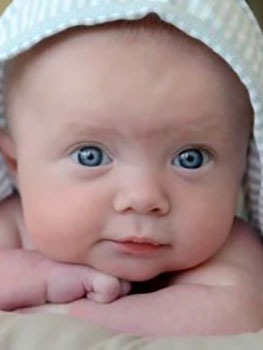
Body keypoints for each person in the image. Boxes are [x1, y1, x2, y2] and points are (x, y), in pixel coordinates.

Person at [0, 0, 262, 337]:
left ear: (243, 167)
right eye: (90, 155)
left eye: (190, 158)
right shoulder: (13, 225)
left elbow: (237, 314)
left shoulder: (228, 247)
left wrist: (67, 313)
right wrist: (46, 277)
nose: (142, 197)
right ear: (15, 163)